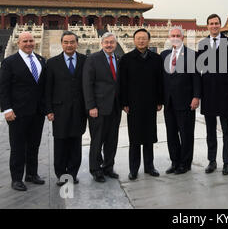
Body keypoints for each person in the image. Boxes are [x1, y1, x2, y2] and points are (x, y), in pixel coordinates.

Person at [0, 32, 46, 191]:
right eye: (25, 41)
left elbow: (43, 87)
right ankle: (17, 178)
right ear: (18, 43)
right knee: (18, 146)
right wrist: (7, 109)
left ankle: (32, 174)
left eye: (31, 40)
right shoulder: (9, 62)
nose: (29, 43)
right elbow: (3, 88)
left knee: (34, 145)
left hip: (37, 112)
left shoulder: (41, 60)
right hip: (17, 112)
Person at [119, 29, 163, 180]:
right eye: (138, 38)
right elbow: (122, 83)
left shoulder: (156, 59)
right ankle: (133, 168)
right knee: (135, 138)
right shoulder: (126, 59)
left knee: (149, 136)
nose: (141, 41)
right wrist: (124, 102)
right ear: (134, 40)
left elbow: (160, 82)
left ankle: (149, 166)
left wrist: (159, 100)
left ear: (148, 40)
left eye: (144, 38)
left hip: (150, 103)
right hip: (133, 104)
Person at [197, 14, 228, 175]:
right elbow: (200, 67)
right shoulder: (202, 43)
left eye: (216, 23)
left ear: (220, 25)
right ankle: (212, 161)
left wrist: (225, 77)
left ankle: (227, 162)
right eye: (211, 23)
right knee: (210, 130)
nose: (214, 26)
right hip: (208, 93)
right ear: (207, 26)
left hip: (225, 91)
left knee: (227, 130)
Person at [45, 31, 87, 186]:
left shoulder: (84, 60)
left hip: (79, 109)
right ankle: (61, 174)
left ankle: (73, 173)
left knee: (76, 142)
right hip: (59, 110)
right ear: (62, 43)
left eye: (72, 42)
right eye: (66, 42)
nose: (69, 45)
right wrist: (48, 109)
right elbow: (47, 89)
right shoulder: (52, 63)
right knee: (61, 142)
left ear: (77, 43)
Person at [82, 32, 122, 183]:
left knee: (112, 140)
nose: (109, 45)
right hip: (98, 108)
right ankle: (96, 169)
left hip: (115, 107)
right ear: (101, 43)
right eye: (106, 42)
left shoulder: (118, 59)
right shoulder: (93, 59)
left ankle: (108, 167)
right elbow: (87, 84)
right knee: (97, 140)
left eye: (112, 42)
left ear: (116, 44)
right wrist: (91, 106)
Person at [161, 26, 201, 175]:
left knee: (186, 134)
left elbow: (196, 77)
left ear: (183, 38)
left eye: (178, 35)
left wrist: (196, 97)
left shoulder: (192, 55)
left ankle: (185, 163)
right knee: (171, 134)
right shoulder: (164, 55)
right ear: (169, 38)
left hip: (186, 101)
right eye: (173, 35)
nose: (175, 37)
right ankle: (175, 161)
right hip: (169, 101)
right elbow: (162, 79)